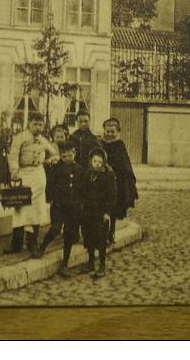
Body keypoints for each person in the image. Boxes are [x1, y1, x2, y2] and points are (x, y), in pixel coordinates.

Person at [4, 112, 58, 255]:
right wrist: (14, 173)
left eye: (41, 125)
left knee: (36, 209)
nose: (38, 127)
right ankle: (16, 244)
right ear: (29, 124)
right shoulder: (20, 137)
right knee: (20, 207)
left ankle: (32, 243)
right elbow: (13, 156)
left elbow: (53, 152)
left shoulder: (42, 139)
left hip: (38, 175)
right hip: (24, 174)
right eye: (35, 124)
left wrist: (47, 161)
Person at [33, 140, 84, 278]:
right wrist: (52, 199)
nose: (68, 158)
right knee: (55, 228)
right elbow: (50, 185)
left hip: (73, 208)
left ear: (75, 154)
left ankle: (65, 264)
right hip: (59, 206)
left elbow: (82, 188)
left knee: (68, 235)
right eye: (65, 156)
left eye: (70, 155)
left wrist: (80, 203)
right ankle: (42, 247)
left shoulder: (79, 169)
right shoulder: (57, 169)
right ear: (61, 156)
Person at [80, 147, 116, 279]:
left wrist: (107, 212)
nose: (97, 164)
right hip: (88, 212)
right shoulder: (87, 175)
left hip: (101, 213)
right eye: (95, 161)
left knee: (101, 239)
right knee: (88, 237)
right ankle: (90, 262)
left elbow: (112, 196)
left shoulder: (108, 176)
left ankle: (102, 264)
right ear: (91, 161)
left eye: (100, 162)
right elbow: (82, 192)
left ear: (104, 163)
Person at [101, 117, 138, 246]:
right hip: (103, 180)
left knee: (113, 210)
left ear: (118, 132)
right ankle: (104, 234)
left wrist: (126, 180)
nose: (110, 134)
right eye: (108, 131)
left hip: (117, 182)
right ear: (104, 130)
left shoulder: (120, 145)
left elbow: (125, 164)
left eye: (112, 132)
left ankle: (110, 233)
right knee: (103, 209)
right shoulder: (101, 144)